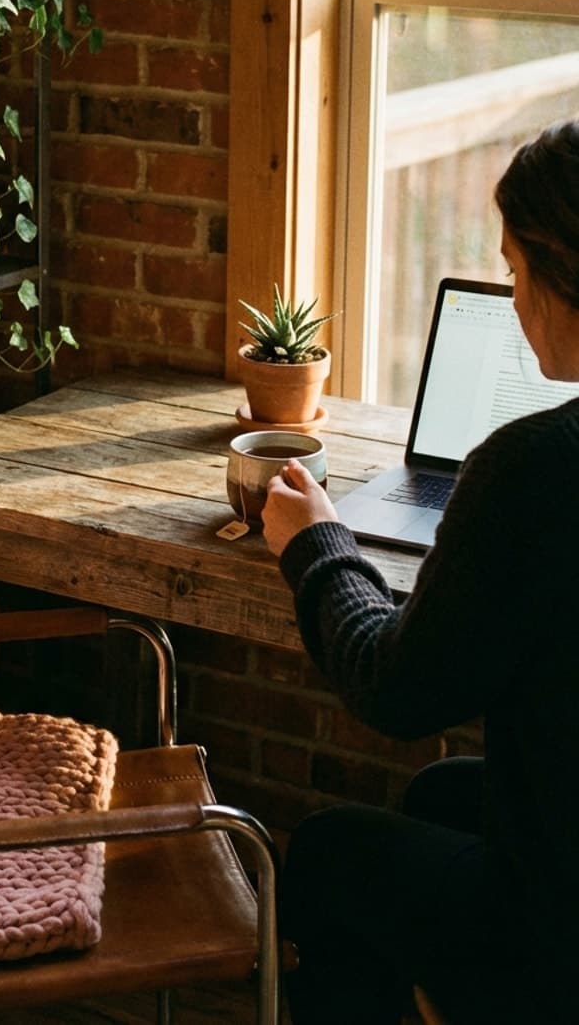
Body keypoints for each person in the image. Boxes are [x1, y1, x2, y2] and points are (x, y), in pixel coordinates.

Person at [260, 118, 579, 1024]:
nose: (512, 299)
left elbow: (395, 689)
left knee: (325, 853)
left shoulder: (537, 466)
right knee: (445, 793)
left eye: (517, 270)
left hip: (557, 934)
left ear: (563, 272)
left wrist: (315, 542)